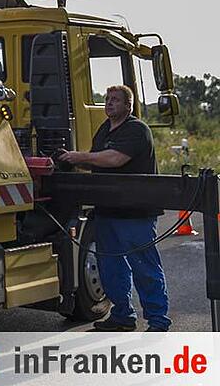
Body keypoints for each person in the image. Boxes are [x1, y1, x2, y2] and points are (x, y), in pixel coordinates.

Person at [58, 84, 171, 332]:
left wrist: (81, 157)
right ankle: (122, 316)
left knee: (145, 267)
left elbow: (115, 159)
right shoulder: (104, 130)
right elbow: (98, 162)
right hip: (108, 211)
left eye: (115, 100)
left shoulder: (137, 129)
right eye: (108, 99)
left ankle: (158, 321)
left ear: (128, 105)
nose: (109, 103)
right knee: (111, 268)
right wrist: (68, 162)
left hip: (136, 213)